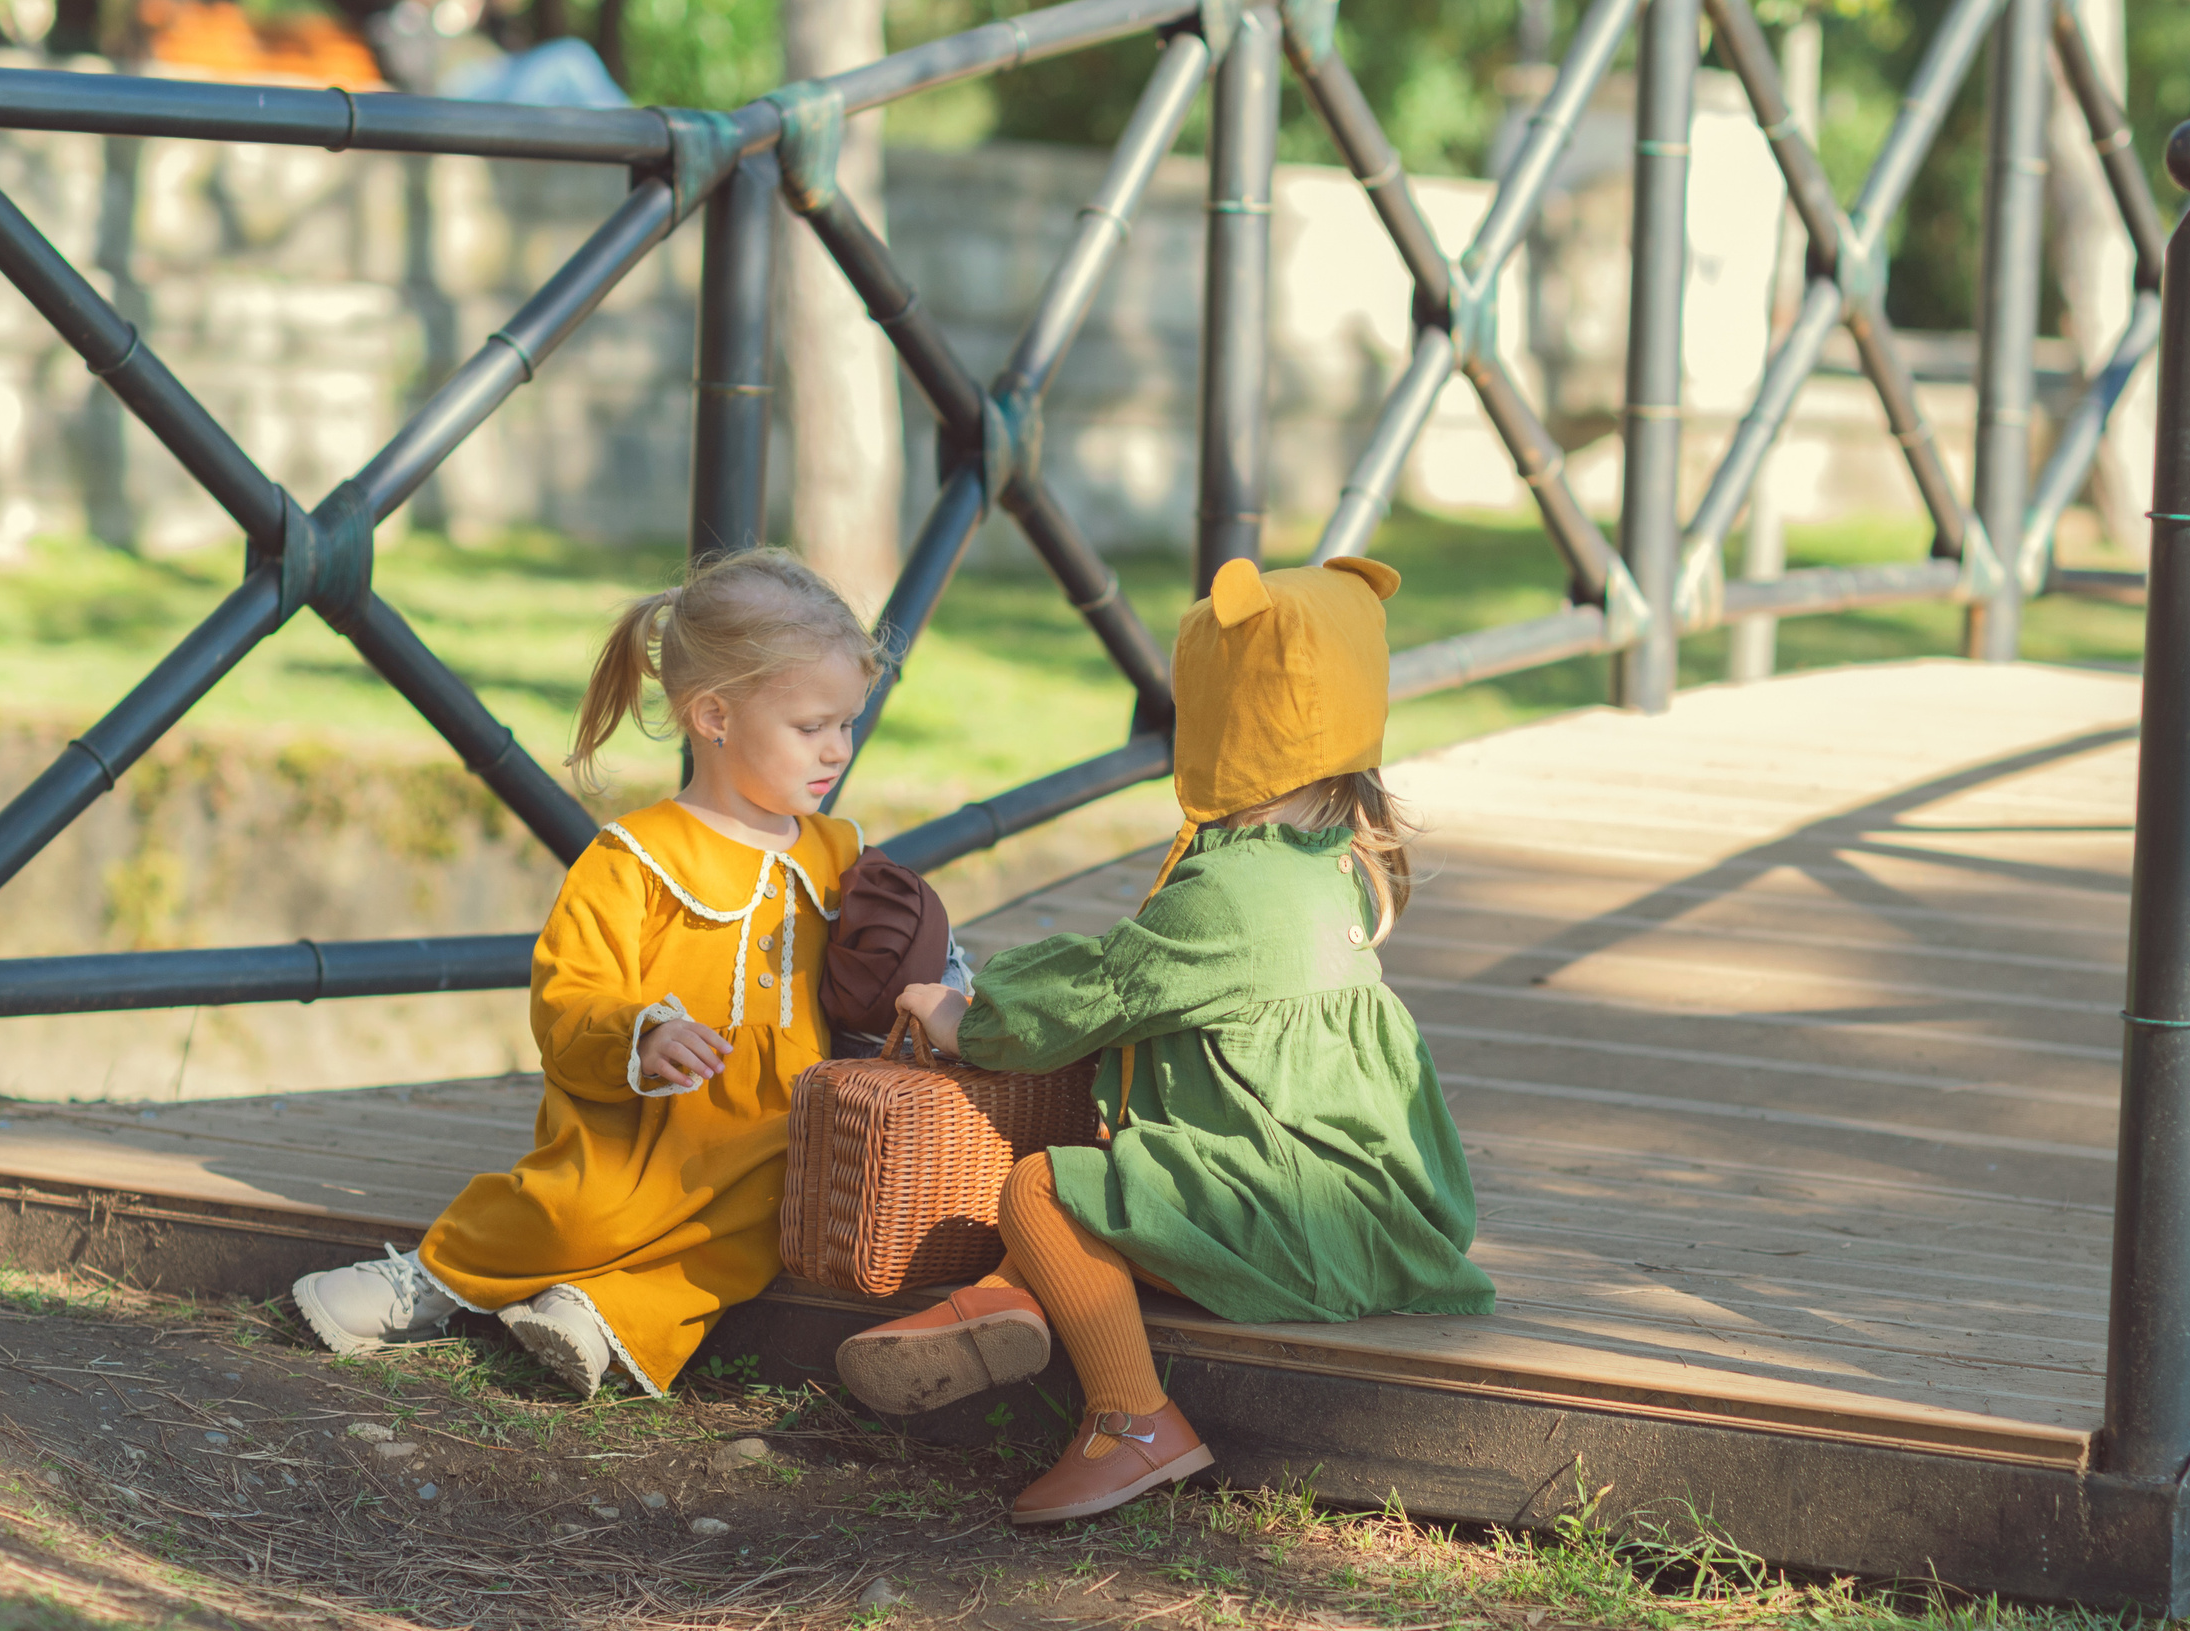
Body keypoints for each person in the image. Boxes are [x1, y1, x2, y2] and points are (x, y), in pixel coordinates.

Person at [834, 555, 1494, 1524]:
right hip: (1364, 1194)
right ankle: (1007, 1299)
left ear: (1229, 722)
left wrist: (970, 1012)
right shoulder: (1326, 856)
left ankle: (1133, 1419)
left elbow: (1105, 984)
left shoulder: (1228, 894)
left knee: (1045, 1187)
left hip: (1306, 1211)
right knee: (1125, 1188)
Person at [289, 549, 878, 1396]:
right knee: (579, 1202)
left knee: (751, 1232)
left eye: (845, 724)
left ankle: (598, 1314)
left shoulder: (838, 853)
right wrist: (646, 1033)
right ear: (714, 715)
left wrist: (943, 980)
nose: (837, 751)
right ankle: (434, 1275)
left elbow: (898, 954)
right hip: (641, 1122)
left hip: (777, 1130)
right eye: (811, 727)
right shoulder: (634, 856)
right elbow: (571, 993)